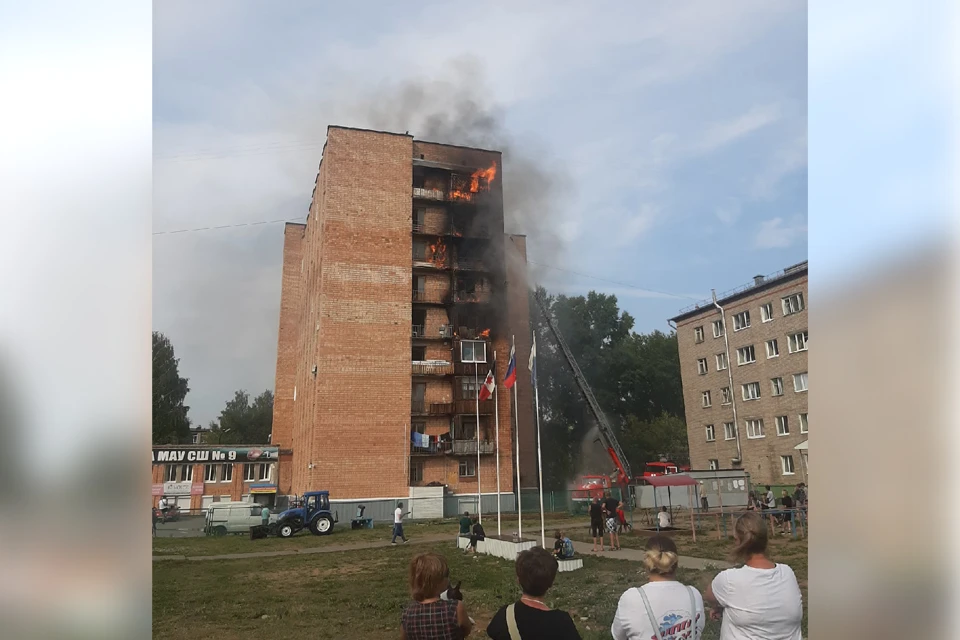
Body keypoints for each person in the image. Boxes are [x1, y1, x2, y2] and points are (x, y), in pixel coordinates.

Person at [704, 512, 803, 639]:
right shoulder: (787, 573)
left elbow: (710, 596)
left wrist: (717, 607)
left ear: (738, 541)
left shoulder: (729, 580)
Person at [611, 535, 705, 640]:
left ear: (647, 563)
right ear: (675, 563)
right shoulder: (693, 595)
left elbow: (618, 636)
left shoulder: (632, 598)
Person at [487, 547, 582, 639]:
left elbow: (492, 632)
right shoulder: (562, 622)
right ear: (551, 583)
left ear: (518, 580)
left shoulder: (504, 616)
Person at [401, 552, 473, 639]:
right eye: (446, 574)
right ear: (438, 581)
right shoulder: (455, 608)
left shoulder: (408, 612)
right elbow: (466, 630)